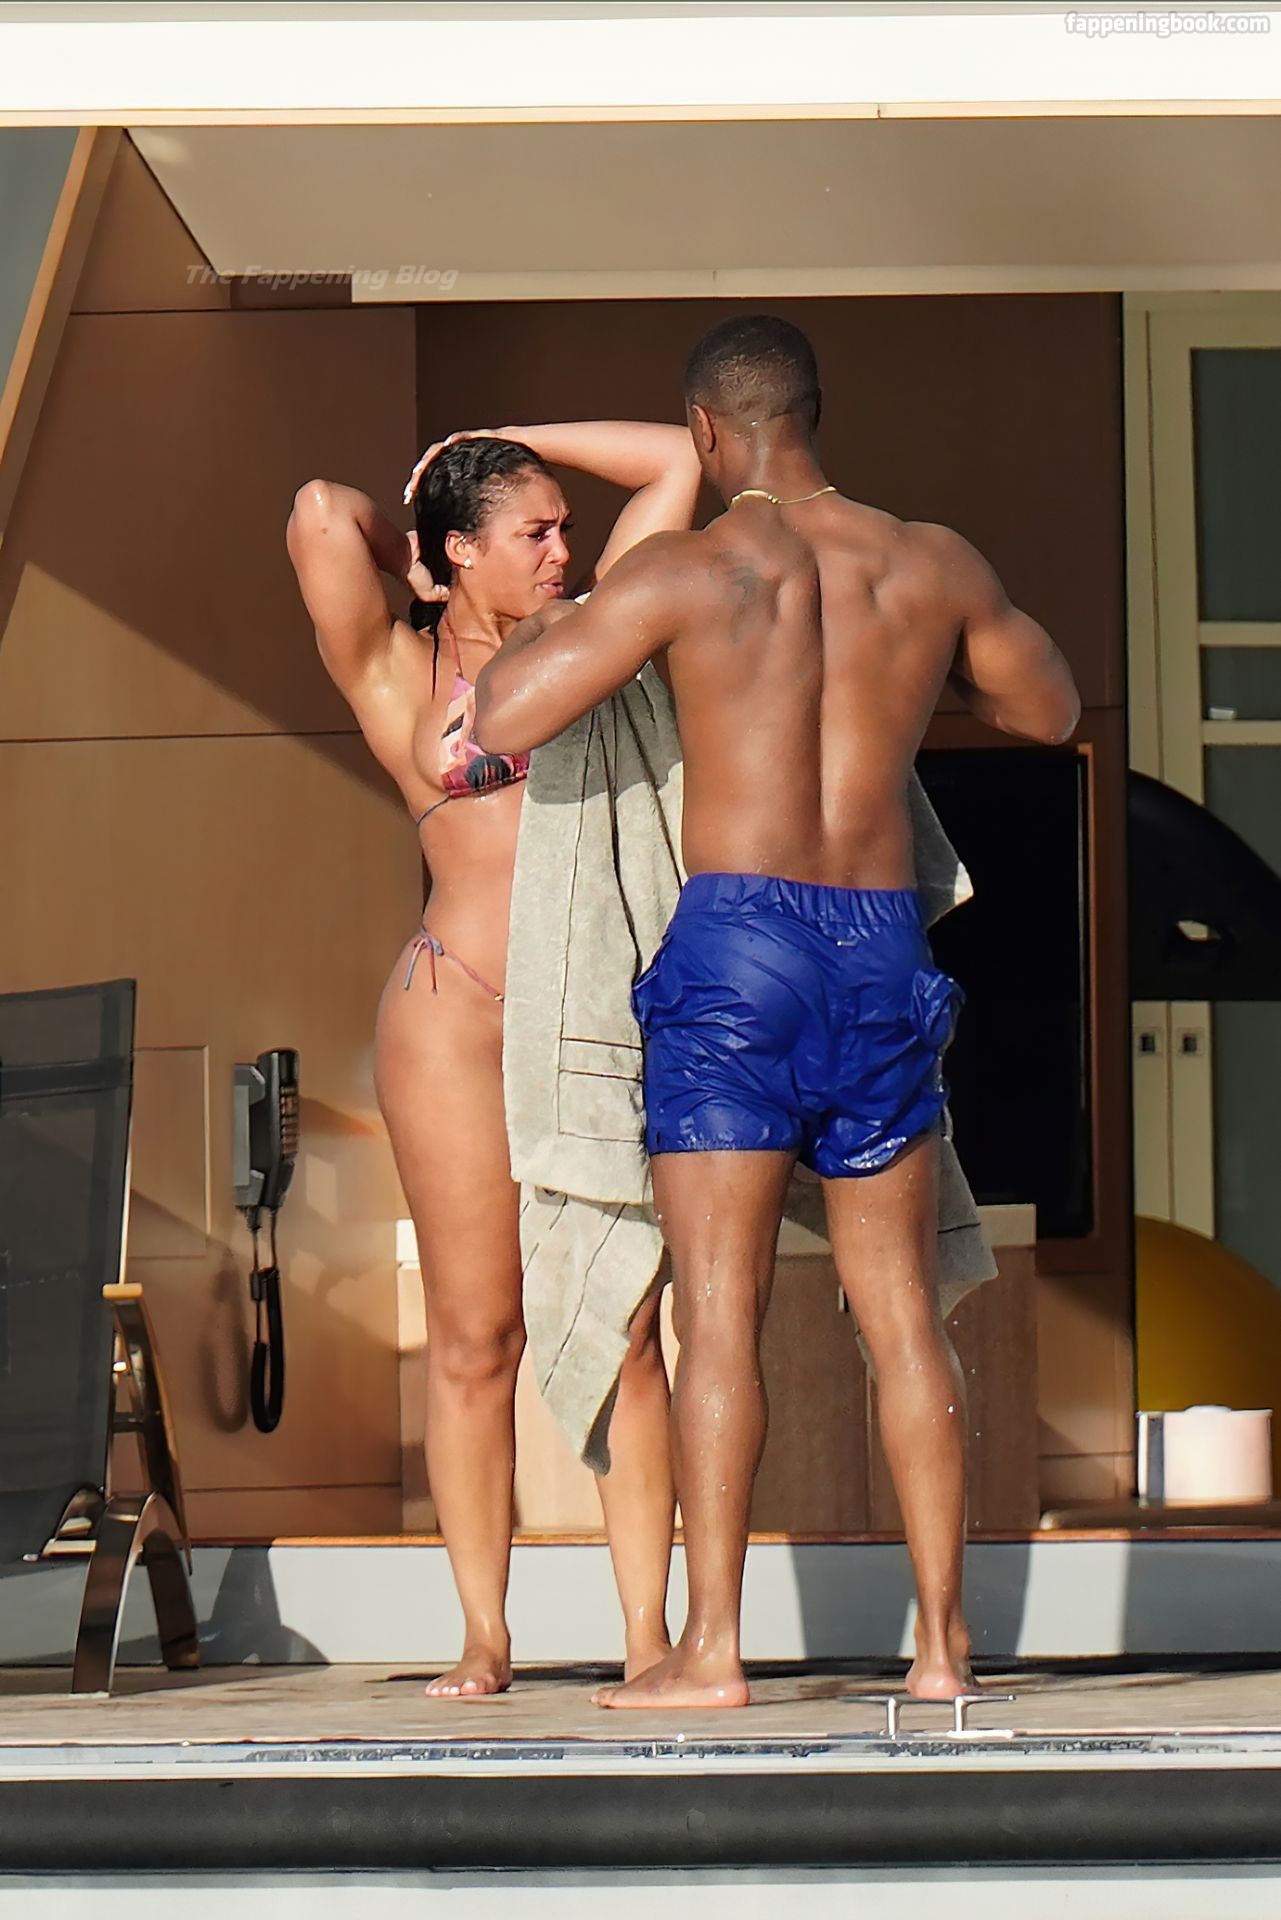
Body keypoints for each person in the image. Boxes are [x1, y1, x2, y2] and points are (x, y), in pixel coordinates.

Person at [474, 315, 1081, 1710]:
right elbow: (1045, 710)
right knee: (902, 1313)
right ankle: (942, 1651)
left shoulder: (689, 571)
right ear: (815, 412)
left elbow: (504, 718)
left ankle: (713, 1652)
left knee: (719, 1313)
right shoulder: (929, 562)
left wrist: (565, 620)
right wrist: (922, 664)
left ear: (704, 431)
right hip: (876, 942)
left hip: (738, 947)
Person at [286, 421, 701, 1696]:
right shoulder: (398, 670)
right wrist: (413, 544)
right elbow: (318, 510)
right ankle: (483, 1636)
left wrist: (514, 437)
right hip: (455, 1017)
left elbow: (677, 466)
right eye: (534, 532)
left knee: (627, 1326)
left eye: (567, 528)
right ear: (460, 550)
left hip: (593, 1021)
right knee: (477, 1337)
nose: (563, 550)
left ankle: (648, 1637)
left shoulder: (602, 634)